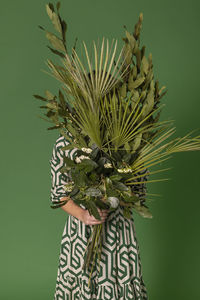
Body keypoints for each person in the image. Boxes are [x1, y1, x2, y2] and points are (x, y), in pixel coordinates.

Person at [50, 132, 149, 299]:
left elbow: (139, 195)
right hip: (80, 232)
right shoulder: (66, 140)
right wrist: (83, 214)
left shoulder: (130, 141)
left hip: (118, 232)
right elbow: (58, 195)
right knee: (80, 281)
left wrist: (111, 196)